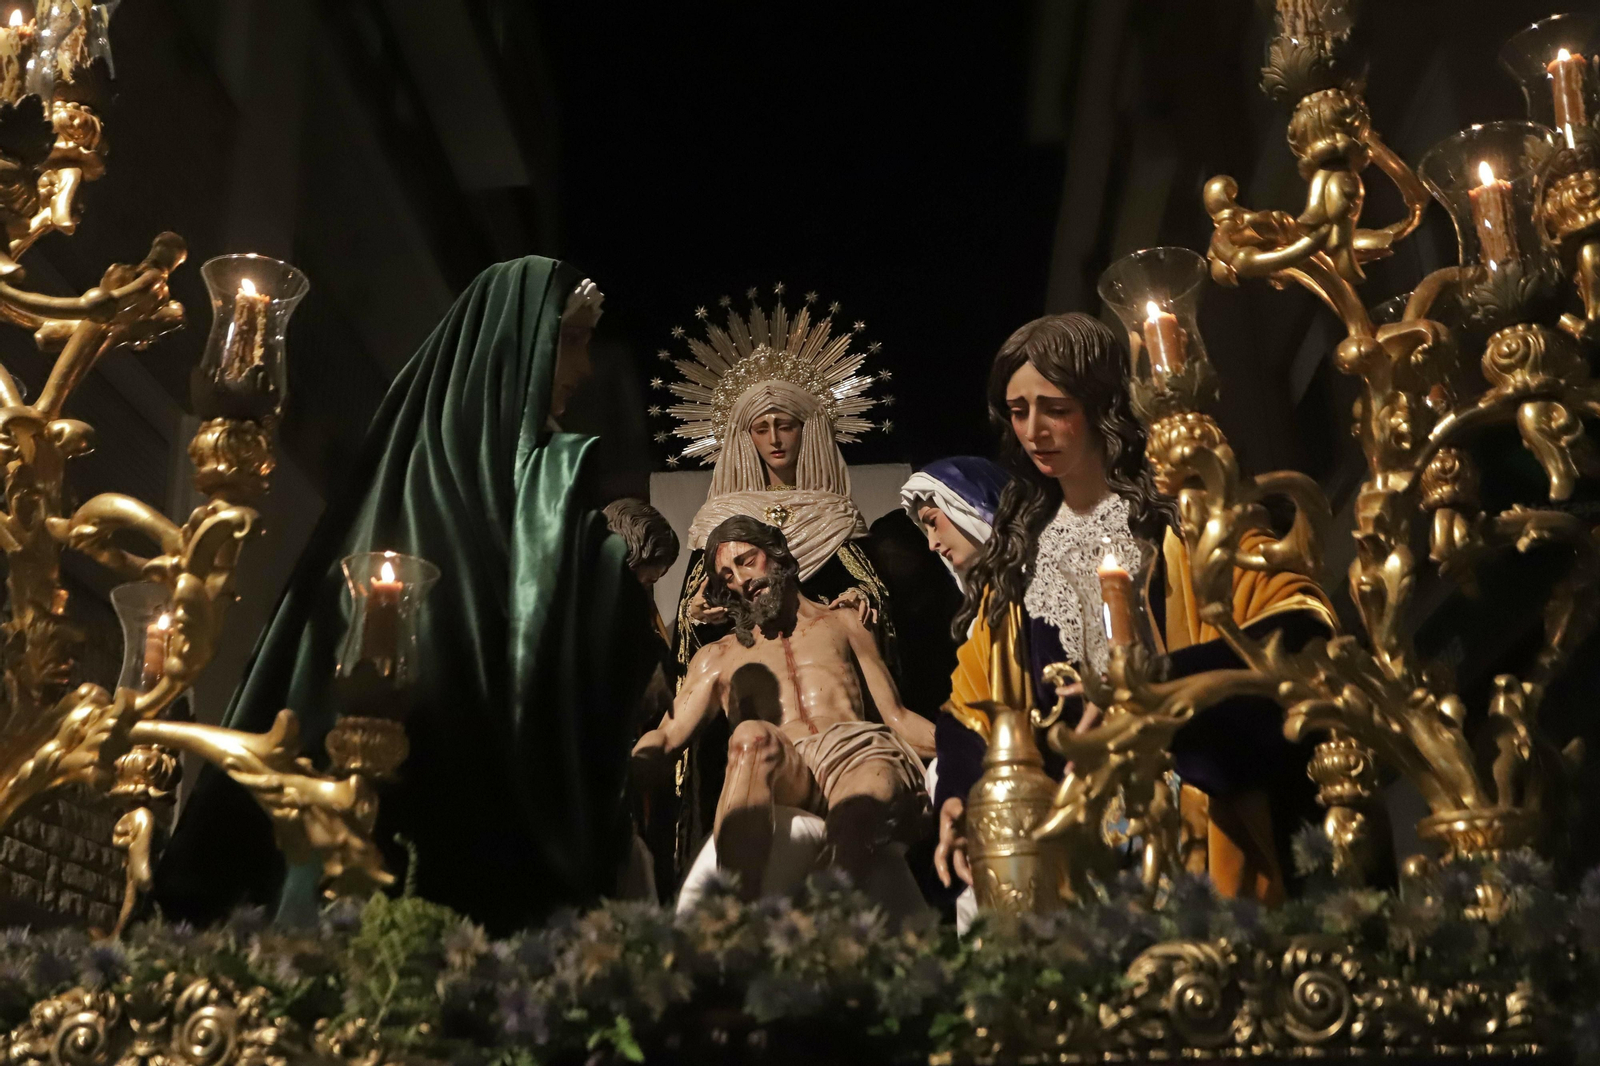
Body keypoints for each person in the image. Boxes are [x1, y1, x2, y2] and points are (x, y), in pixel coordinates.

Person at [154, 258, 658, 935]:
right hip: (422, 774)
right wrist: (611, 566)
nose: (584, 369)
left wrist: (605, 562)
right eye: (570, 341)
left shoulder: (525, 475)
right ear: (517, 345)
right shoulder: (463, 474)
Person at [933, 313, 1335, 906]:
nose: (1035, 431)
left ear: (1100, 405)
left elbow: (1293, 626)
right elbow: (973, 706)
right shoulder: (1017, 563)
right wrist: (962, 794)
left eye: (1055, 407)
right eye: (1019, 413)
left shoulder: (1185, 519)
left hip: (1195, 808)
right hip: (1077, 837)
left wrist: (1152, 689)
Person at [654, 290, 901, 880]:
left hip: (839, 719)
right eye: (762, 428)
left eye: (785, 425)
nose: (775, 439)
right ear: (747, 438)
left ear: (805, 430)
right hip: (757, 702)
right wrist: (700, 615)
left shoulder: (835, 513)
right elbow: (696, 615)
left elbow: (868, 593)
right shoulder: (722, 522)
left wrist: (864, 600)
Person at [633, 516, 933, 904]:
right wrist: (621, 779)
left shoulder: (843, 623)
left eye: (746, 560)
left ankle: (818, 920)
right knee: (749, 737)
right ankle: (737, 918)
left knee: (864, 799)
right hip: (785, 770)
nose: (740, 580)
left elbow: (898, 718)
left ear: (777, 555)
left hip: (854, 755)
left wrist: (969, 743)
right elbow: (668, 736)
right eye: (726, 576)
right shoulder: (718, 656)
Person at [900, 457, 1009, 590]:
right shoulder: (986, 598)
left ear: (968, 507)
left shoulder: (1036, 574)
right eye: (926, 530)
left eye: (934, 522)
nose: (932, 545)